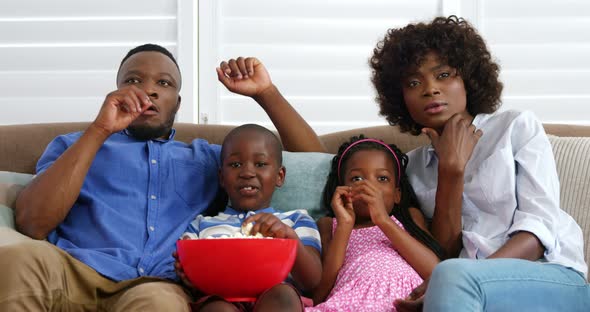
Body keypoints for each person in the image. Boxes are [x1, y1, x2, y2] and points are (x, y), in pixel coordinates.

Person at [1, 45, 323, 311]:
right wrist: (100, 130)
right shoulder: (75, 144)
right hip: (71, 269)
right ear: (117, 91)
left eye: (164, 84)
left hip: (154, 288)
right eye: (134, 80)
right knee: (19, 261)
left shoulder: (208, 159)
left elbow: (316, 162)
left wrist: (265, 93)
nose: (149, 90)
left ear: (177, 103)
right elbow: (32, 223)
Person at [369, 16, 589, 311]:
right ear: (401, 98)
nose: (430, 89)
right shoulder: (411, 167)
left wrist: (469, 275)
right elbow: (444, 251)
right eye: (413, 82)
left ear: (468, 79)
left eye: (444, 74)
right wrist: (450, 171)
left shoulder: (515, 127)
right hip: (468, 288)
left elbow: (538, 230)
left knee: (450, 275)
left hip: (551, 274)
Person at [176, 124, 322, 311]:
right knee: (216, 308)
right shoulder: (201, 224)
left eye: (260, 164)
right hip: (222, 298)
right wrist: (188, 272)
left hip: (278, 298)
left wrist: (288, 236)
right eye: (235, 165)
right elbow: (193, 278)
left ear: (279, 176)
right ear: (221, 177)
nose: (247, 173)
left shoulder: (296, 220)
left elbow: (313, 280)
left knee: (283, 296)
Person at [307, 135, 443, 311]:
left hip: (406, 302)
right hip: (349, 302)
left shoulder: (408, 217)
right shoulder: (330, 224)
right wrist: (344, 226)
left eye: (382, 178)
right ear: (340, 190)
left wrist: (383, 220)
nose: (368, 185)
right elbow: (318, 294)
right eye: (356, 178)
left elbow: (436, 273)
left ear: (397, 195)